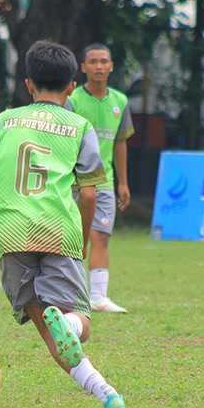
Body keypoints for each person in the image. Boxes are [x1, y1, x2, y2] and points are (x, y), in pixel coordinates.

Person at [0, 40, 127, 408]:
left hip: (10, 232)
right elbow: (88, 194)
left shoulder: (3, 121)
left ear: (28, 84)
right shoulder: (80, 126)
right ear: (71, 88)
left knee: (46, 328)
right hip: (57, 230)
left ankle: (106, 394)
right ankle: (68, 322)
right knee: (77, 324)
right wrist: (80, 239)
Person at [64, 43, 134, 314]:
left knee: (100, 236)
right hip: (73, 182)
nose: (98, 66)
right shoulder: (73, 101)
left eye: (104, 61)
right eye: (92, 61)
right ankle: (68, 294)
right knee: (70, 237)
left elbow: (120, 143)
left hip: (104, 182)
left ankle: (98, 297)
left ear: (112, 66)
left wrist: (123, 182)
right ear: (83, 67)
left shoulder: (120, 101)